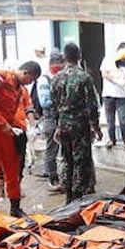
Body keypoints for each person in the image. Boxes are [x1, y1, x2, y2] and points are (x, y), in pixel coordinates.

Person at [0, 60, 41, 216]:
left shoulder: (19, 89)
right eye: (30, 79)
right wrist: (1, 123)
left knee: (12, 167)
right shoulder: (0, 77)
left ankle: (15, 206)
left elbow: (11, 111)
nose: (29, 83)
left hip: (7, 130)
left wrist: (15, 129)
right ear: (25, 73)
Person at [51, 42, 103, 203]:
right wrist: (96, 126)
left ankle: (68, 195)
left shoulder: (57, 77)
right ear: (79, 56)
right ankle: (77, 198)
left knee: (67, 160)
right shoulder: (84, 77)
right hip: (80, 127)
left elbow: (53, 105)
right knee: (81, 161)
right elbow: (91, 105)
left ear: (65, 57)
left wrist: (57, 126)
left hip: (64, 126)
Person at [34, 51, 66, 192]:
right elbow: (45, 102)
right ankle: (53, 179)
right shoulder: (45, 79)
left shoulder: (63, 76)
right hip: (51, 119)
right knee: (52, 150)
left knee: (66, 150)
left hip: (64, 119)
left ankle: (65, 178)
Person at [99, 43, 125, 148]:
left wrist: (118, 79)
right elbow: (104, 74)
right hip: (108, 94)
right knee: (110, 118)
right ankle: (111, 139)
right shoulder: (108, 58)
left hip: (121, 95)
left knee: (123, 118)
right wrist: (116, 79)